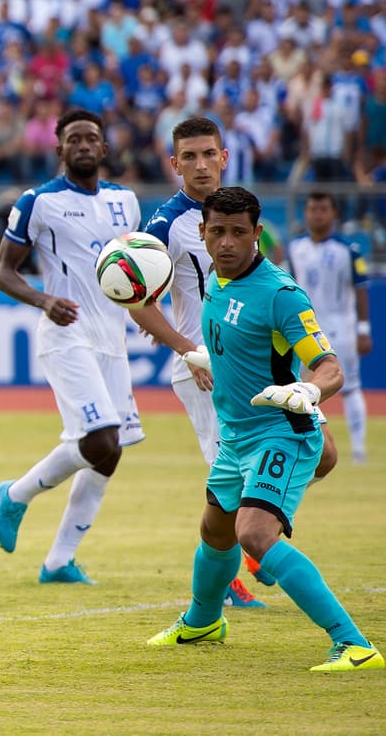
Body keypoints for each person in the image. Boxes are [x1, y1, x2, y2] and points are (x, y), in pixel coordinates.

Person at [146, 186, 383, 673]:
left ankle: (354, 645)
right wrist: (196, 355)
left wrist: (311, 392)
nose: (227, 243)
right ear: (202, 233)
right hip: (235, 434)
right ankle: (203, 621)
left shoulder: (280, 294)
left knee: (252, 533)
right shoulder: (215, 276)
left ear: (258, 234)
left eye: (239, 233)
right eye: (217, 232)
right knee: (214, 532)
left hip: (281, 430)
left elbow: (330, 367)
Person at [0, 108, 145, 584]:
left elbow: (135, 270)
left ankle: (59, 560)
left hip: (111, 338)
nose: (82, 145)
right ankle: (15, 495)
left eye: (91, 138)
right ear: (59, 150)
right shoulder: (39, 201)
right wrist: (43, 299)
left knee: (111, 451)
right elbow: (2, 270)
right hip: (65, 332)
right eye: (73, 139)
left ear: (103, 148)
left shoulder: (127, 201)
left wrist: (146, 312)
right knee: (99, 438)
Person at [133, 116, 274, 609]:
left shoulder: (241, 213)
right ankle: (231, 579)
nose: (199, 165)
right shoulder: (163, 224)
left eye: (207, 154)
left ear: (224, 157)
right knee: (228, 477)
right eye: (188, 157)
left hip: (251, 365)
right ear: (174, 164)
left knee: (308, 455)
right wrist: (184, 348)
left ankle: (257, 544)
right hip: (203, 369)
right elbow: (136, 299)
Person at [287, 192, 372, 465]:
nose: (317, 215)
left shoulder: (349, 249)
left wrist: (363, 328)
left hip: (340, 326)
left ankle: (358, 449)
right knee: (301, 387)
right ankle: (306, 447)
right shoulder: (295, 247)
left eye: (323, 209)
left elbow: (360, 291)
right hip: (303, 328)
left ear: (334, 213)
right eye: (312, 209)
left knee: (350, 386)